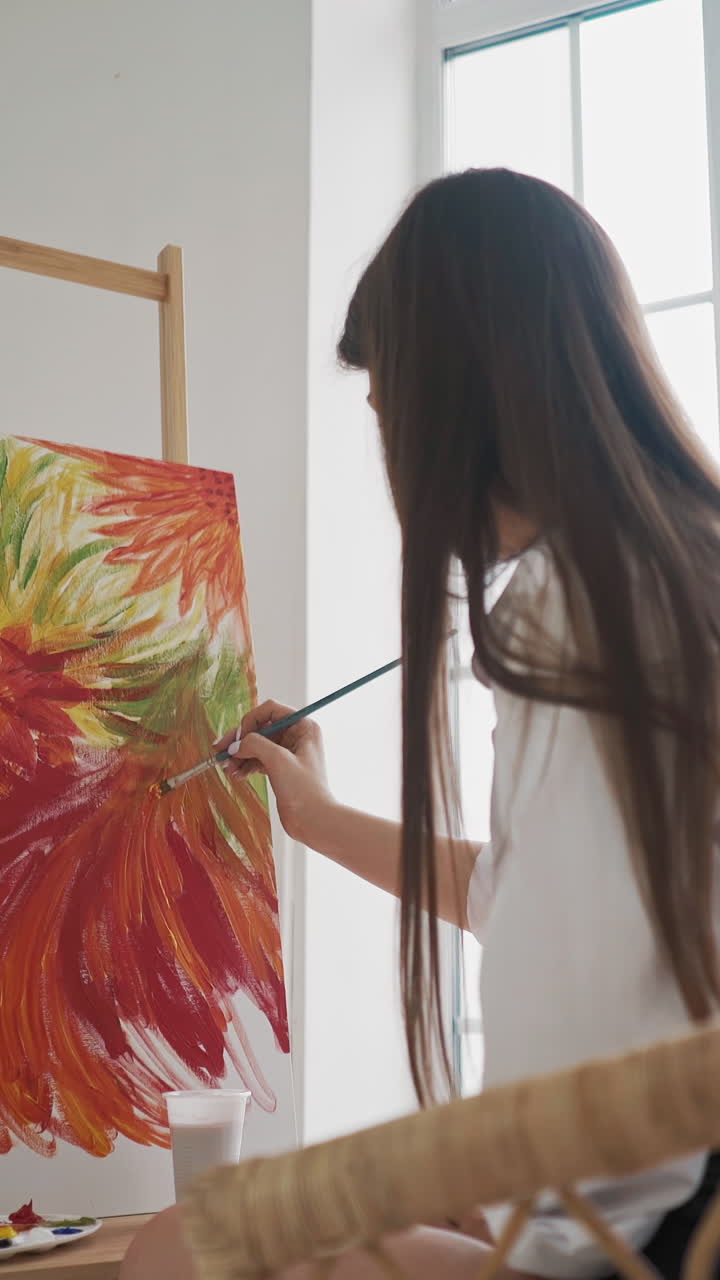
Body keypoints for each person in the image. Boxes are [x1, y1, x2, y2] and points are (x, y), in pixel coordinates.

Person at [120, 168, 720, 1280]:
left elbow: (592, 1034)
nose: (391, 456)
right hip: (652, 1207)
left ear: (453, 396)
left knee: (189, 1242)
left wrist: (483, 1199)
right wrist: (318, 817)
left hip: (644, 1238)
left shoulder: (576, 608)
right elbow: (530, 895)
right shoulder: (671, 565)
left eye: (387, 410)